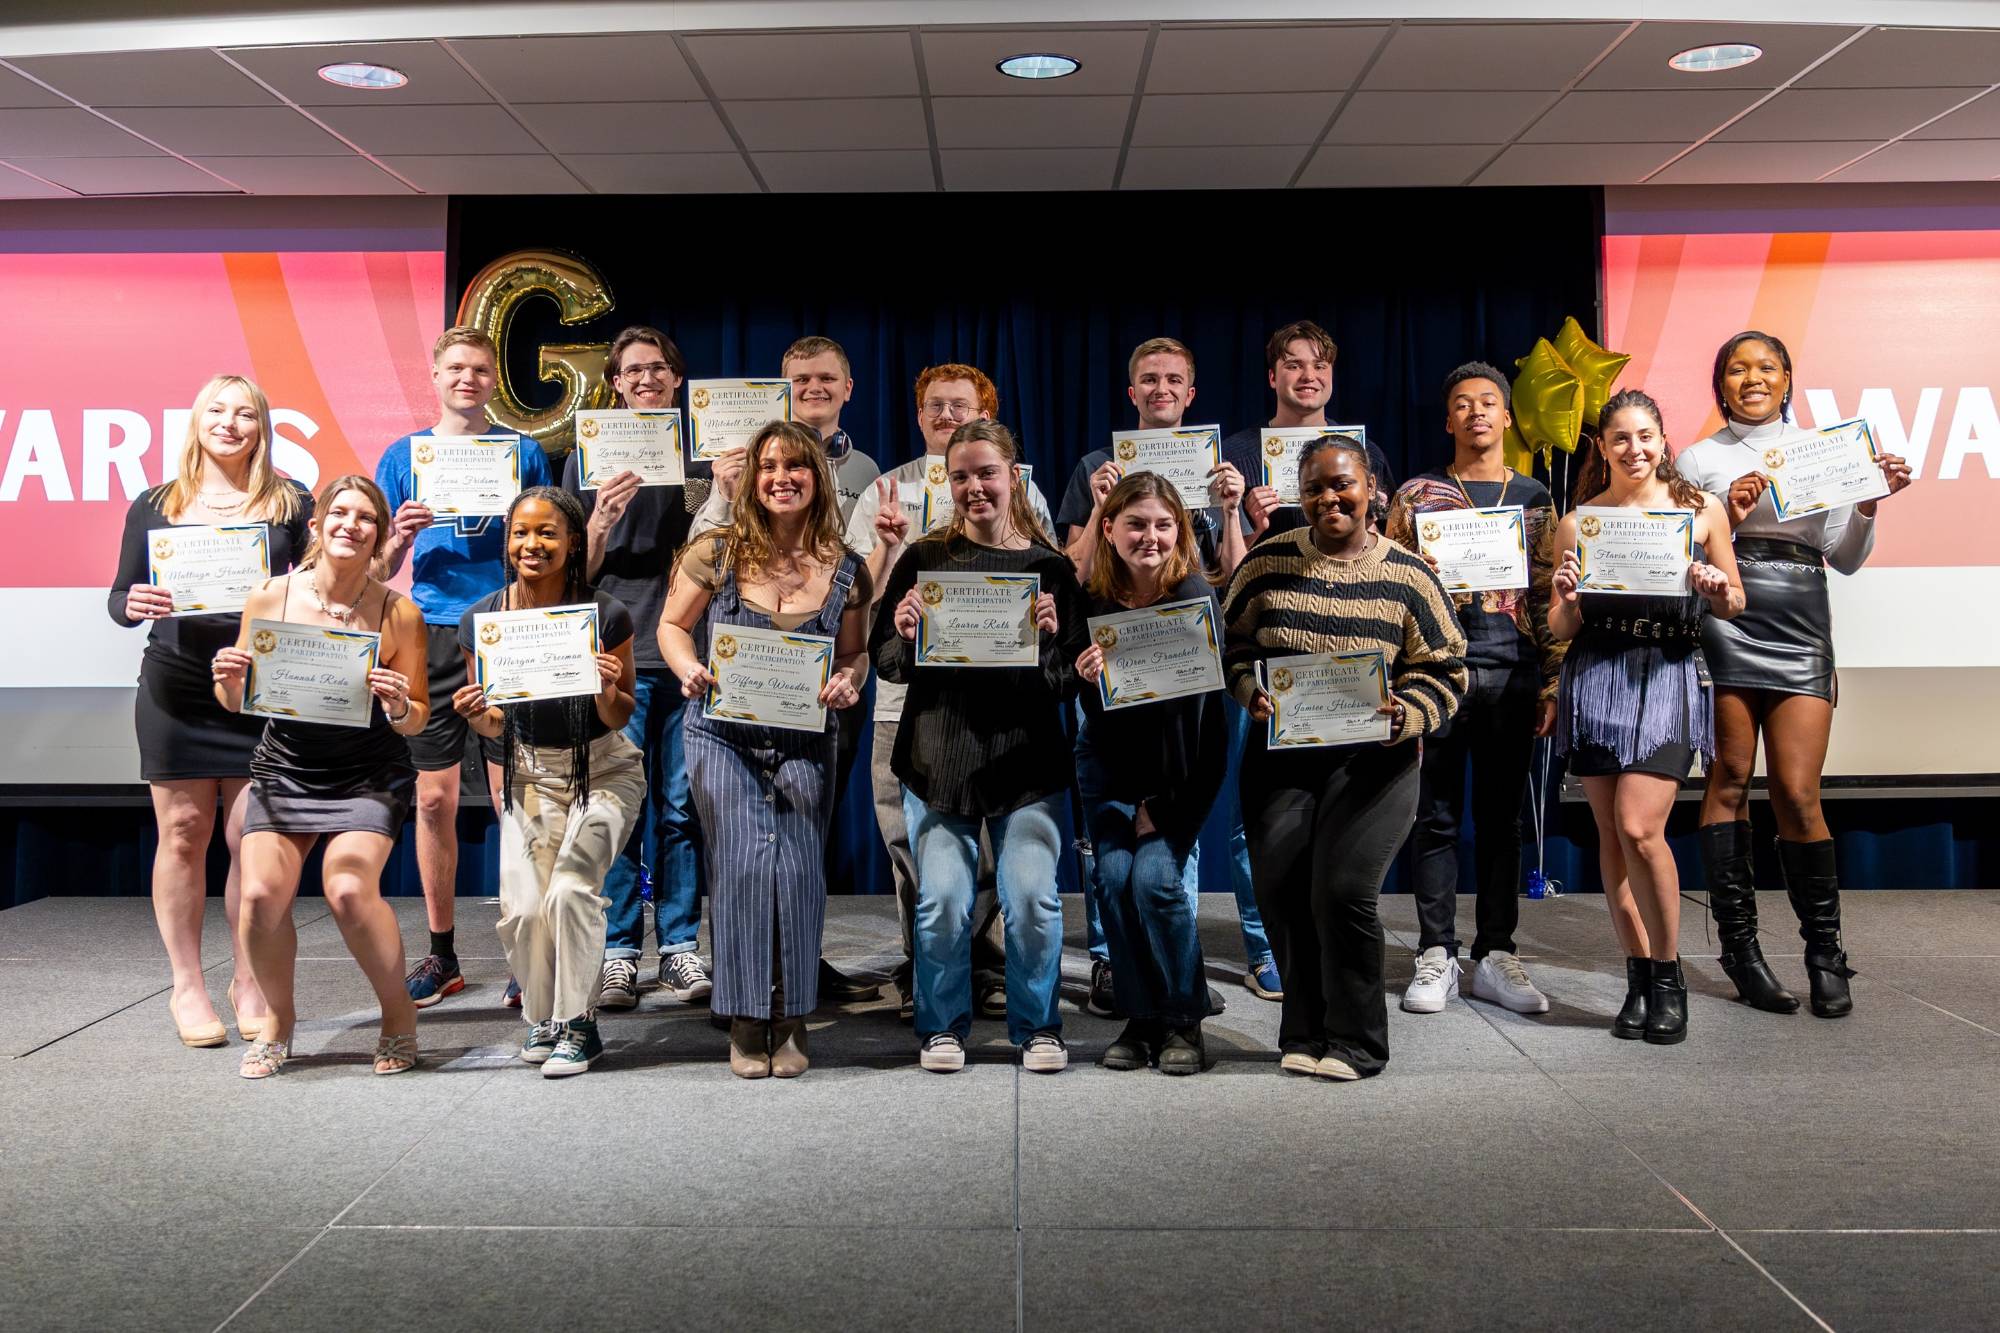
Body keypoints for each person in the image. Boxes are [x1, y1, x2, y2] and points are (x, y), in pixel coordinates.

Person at [1677, 332, 1912, 1019]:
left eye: (1766, 367)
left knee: (1799, 793)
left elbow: (1844, 556)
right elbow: (1681, 547)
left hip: (1801, 613)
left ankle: (1824, 952)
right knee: (1728, 778)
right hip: (1726, 612)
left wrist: (1870, 499)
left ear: (1787, 378)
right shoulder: (1698, 457)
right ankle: (1741, 951)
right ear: (1721, 383)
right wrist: (1731, 514)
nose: (1753, 377)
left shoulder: (1829, 449)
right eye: (1737, 368)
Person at [1223, 435, 1466, 1081]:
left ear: (1369, 491)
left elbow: (1446, 668)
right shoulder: (1267, 560)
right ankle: (1303, 1031)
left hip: (1376, 762)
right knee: (1283, 890)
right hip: (1284, 758)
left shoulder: (1410, 575)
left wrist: (1406, 712)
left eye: (1342, 485)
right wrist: (1250, 690)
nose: (1329, 498)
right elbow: (1232, 645)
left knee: (1344, 890)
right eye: (1315, 488)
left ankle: (1358, 1041)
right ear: (1298, 495)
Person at [1054, 337, 1267, 1015]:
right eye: (1149, 378)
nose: (1161, 387)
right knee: (1110, 857)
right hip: (1116, 684)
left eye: (1174, 378)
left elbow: (1227, 578)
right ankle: (1115, 966)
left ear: (1191, 393)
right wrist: (1096, 506)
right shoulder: (1097, 464)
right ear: (1132, 392)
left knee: (1166, 851)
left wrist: (1230, 509)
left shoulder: (1212, 470)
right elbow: (1075, 574)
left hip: (1185, 675)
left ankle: (1181, 980)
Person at [871, 421, 1087, 1074]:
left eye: (985, 472)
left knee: (1029, 898)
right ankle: (941, 1027)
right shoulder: (922, 561)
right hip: (940, 759)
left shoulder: (1050, 567)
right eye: (960, 475)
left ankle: (1038, 1027)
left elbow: (1072, 675)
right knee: (941, 900)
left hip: (1027, 762)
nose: (974, 487)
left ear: (1012, 476)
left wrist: (1052, 640)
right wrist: (906, 631)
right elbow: (886, 662)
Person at [661, 421, 871, 1078]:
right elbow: (671, 625)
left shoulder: (847, 566)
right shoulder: (716, 552)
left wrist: (849, 681)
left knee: (801, 868)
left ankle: (795, 1013)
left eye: (796, 465)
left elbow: (856, 653)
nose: (782, 476)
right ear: (752, 478)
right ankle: (749, 1014)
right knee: (748, 862)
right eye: (769, 465)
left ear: (819, 477)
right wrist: (687, 667)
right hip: (721, 733)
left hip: (806, 735)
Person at [109, 375, 312, 1047]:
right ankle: (187, 984)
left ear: (262, 427)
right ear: (197, 421)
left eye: (245, 413)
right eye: (217, 412)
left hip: (259, 690)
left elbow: (319, 589)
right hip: (176, 689)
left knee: (249, 840)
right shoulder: (155, 504)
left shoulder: (290, 503)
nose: (230, 423)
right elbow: (119, 598)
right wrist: (133, 603)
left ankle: (248, 979)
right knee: (184, 833)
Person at [848, 365, 1055, 1020]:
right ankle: (926, 966)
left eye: (958, 405)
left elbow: (1048, 582)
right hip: (905, 708)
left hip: (1002, 707)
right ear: (918, 414)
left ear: (983, 413)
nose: (944, 414)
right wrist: (885, 555)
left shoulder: (1026, 493)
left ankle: (989, 966)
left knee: (995, 849)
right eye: (933, 405)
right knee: (914, 848)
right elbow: (861, 610)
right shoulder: (885, 490)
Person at [215, 474, 432, 1078]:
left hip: (367, 773)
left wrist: (396, 703)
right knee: (258, 895)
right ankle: (280, 1021)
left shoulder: (399, 612)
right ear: (316, 525)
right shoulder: (271, 597)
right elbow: (236, 700)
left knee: (348, 890)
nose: (351, 525)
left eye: (366, 518)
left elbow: (416, 719)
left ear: (380, 534)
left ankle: (397, 1014)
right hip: (286, 768)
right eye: (340, 513)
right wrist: (229, 678)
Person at [1549, 390, 1745, 1045]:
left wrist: (1717, 589)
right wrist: (1566, 596)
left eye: (1646, 436)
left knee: (1639, 826)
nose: (1635, 448)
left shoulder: (1699, 511)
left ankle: (1669, 975)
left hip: (1666, 672)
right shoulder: (1581, 521)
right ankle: (1638, 976)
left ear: (1664, 441)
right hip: (1597, 672)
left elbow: (1735, 600)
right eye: (1620, 438)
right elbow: (1560, 623)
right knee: (1610, 836)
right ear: (1602, 447)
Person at [695, 336, 883, 1002]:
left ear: (848, 386)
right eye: (800, 378)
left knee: (807, 835)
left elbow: (860, 586)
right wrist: (722, 492)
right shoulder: (741, 464)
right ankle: (742, 971)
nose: (815, 388)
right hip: (739, 688)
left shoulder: (867, 469)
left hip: (820, 685)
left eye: (827, 378)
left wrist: (853, 670)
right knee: (740, 842)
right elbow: (697, 565)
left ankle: (803, 958)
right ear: (781, 387)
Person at [375, 326, 554, 1009]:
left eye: (480, 368)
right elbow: (381, 566)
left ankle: (521, 945)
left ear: (492, 379)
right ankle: (442, 952)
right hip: (431, 634)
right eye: (456, 368)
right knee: (433, 799)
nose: (468, 379)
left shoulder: (522, 451)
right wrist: (401, 533)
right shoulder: (404, 456)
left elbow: (551, 544)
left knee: (518, 800)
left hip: (505, 629)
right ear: (435, 375)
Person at [1385, 363, 1566, 1016]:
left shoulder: (1534, 496)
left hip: (1512, 673)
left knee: (1501, 821)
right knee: (1433, 817)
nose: (1476, 413)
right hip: (1437, 676)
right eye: (1462, 404)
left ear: (1508, 416)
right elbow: (1392, 585)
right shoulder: (1417, 495)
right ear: (1447, 420)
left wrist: (1551, 680)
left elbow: (1548, 591)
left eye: (1488, 402)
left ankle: (1496, 952)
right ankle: (1437, 951)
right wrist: (1420, 572)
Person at [452, 487, 644, 1077]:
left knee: (571, 890)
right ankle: (545, 1017)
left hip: (604, 768)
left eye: (547, 533)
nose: (532, 544)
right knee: (524, 907)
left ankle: (581, 1025)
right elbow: (494, 722)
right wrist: (473, 711)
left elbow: (620, 713)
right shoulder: (482, 621)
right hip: (529, 773)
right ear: (506, 542)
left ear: (572, 541)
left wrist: (605, 688)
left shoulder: (605, 613)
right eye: (521, 533)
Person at [561, 326, 711, 1013]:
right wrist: (600, 521)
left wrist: (719, 490)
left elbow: (708, 554)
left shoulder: (704, 458)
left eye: (658, 368)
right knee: (619, 809)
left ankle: (679, 946)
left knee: (681, 810)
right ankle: (620, 950)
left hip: (688, 655)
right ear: (615, 383)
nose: (646, 379)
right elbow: (573, 575)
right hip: (615, 656)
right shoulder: (584, 460)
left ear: (676, 379)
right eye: (632, 371)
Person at [1072, 474, 1232, 1074]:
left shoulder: (1196, 599)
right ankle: (1141, 1019)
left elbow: (1213, 733)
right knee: (1113, 879)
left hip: (1178, 780)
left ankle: (1183, 1017)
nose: (1151, 536)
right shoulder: (1094, 603)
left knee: (1156, 882)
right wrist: (1089, 682)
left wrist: (1165, 809)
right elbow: (1100, 719)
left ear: (1180, 532)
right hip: (1110, 774)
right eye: (1136, 524)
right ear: (1108, 529)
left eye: (1164, 524)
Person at [1220, 320, 1396, 544]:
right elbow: (1218, 569)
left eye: (1320, 366)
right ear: (1272, 378)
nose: (1309, 376)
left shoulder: (1366, 453)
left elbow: (1388, 549)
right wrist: (1253, 527)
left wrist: (1368, 521)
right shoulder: (1233, 458)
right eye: (1294, 366)